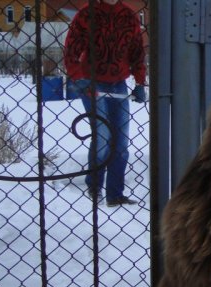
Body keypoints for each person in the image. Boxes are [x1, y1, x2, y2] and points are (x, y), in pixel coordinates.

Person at [64, 0, 146, 207]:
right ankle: (94, 186)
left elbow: (137, 51)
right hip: (92, 82)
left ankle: (115, 194)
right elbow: (71, 49)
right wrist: (79, 77)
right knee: (102, 136)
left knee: (121, 141)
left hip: (118, 83)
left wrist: (139, 81)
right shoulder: (86, 14)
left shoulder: (129, 16)